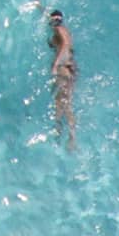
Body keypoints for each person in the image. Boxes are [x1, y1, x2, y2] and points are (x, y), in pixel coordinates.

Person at [47, 9, 77, 149]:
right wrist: (39, 6)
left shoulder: (59, 30)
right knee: (65, 102)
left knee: (61, 103)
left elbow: (64, 45)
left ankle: (65, 136)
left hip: (64, 68)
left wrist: (55, 64)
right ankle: (68, 136)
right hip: (71, 69)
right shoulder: (63, 29)